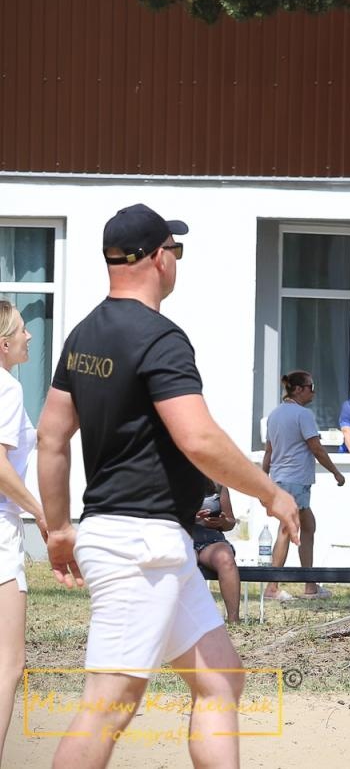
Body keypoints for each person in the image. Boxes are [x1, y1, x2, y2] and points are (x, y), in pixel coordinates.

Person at [36, 202, 301, 769]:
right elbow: (199, 439)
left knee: (222, 680)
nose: (175, 259)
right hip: (141, 547)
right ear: (159, 259)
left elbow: (51, 439)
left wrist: (58, 529)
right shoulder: (161, 339)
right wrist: (270, 492)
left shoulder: (83, 335)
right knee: (107, 708)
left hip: (153, 543)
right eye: (174, 250)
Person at [0, 300, 45, 763]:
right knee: (8, 665)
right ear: (4, 343)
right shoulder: (7, 387)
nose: (30, 337)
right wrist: (42, 515)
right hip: (0, 531)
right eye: (23, 330)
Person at [263, 370, 346, 601]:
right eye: (310, 386)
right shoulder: (303, 414)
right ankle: (272, 588)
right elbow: (316, 448)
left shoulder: (275, 415)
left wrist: (262, 482)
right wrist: (336, 473)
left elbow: (269, 452)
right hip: (295, 481)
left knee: (308, 527)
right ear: (298, 389)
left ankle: (310, 585)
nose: (314, 391)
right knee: (287, 529)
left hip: (281, 480)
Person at [191, 483, 241, 624]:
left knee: (225, 558)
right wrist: (191, 518)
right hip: (184, 536)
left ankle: (233, 620)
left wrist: (222, 521)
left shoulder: (219, 482)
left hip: (211, 538)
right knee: (186, 559)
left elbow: (230, 522)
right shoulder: (174, 477)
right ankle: (184, 622)